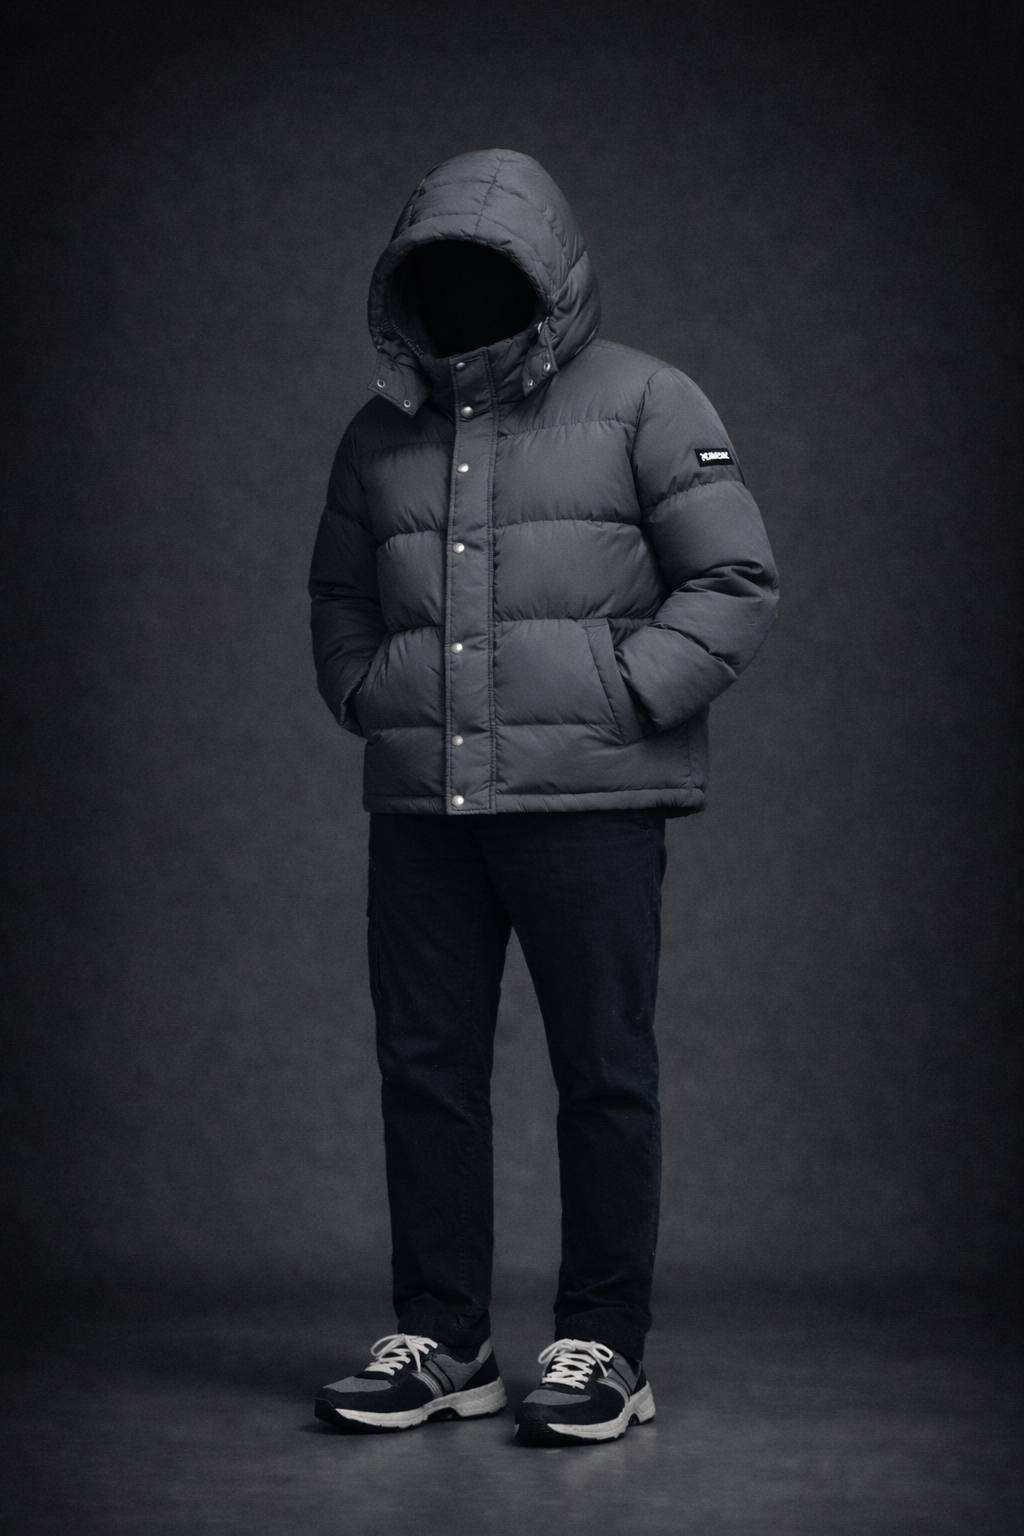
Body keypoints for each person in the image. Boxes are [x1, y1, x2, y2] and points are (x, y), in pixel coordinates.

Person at [308, 149, 778, 1447]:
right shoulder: (380, 430)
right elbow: (339, 596)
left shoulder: (649, 400)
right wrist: (371, 694)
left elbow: (735, 579)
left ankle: (604, 1348)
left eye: (492, 268)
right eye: (436, 271)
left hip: (592, 806)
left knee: (604, 1074)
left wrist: (622, 697)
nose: (462, 291)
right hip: (425, 809)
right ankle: (445, 1341)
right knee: (426, 1071)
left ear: (551, 274)